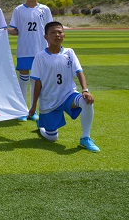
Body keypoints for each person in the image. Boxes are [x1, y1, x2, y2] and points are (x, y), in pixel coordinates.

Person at [28, 21, 100, 152]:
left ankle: (85, 138)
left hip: (68, 95)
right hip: (49, 100)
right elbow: (36, 83)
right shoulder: (40, 57)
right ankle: (41, 126)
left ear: (64, 35)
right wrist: (33, 106)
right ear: (46, 37)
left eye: (59, 32)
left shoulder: (69, 52)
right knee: (52, 137)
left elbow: (79, 71)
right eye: (53, 32)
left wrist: (85, 90)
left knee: (87, 101)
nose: (57, 35)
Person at [8, 0, 54, 121]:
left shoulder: (45, 10)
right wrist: (4, 30)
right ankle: (22, 110)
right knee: (23, 79)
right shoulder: (18, 10)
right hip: (24, 49)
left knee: (36, 81)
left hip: (40, 50)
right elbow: (15, 30)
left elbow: (49, 30)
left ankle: (33, 110)